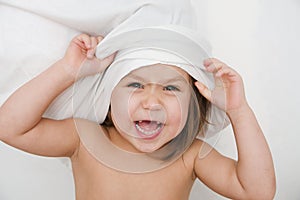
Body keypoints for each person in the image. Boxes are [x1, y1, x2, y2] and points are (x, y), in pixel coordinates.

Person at [0, 33, 276, 200]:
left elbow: (256, 192)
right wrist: (68, 70)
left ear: (194, 104)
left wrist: (239, 111)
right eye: (135, 85)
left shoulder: (189, 154)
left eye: (170, 88)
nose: (151, 101)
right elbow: (10, 127)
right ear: (108, 99)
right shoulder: (85, 139)